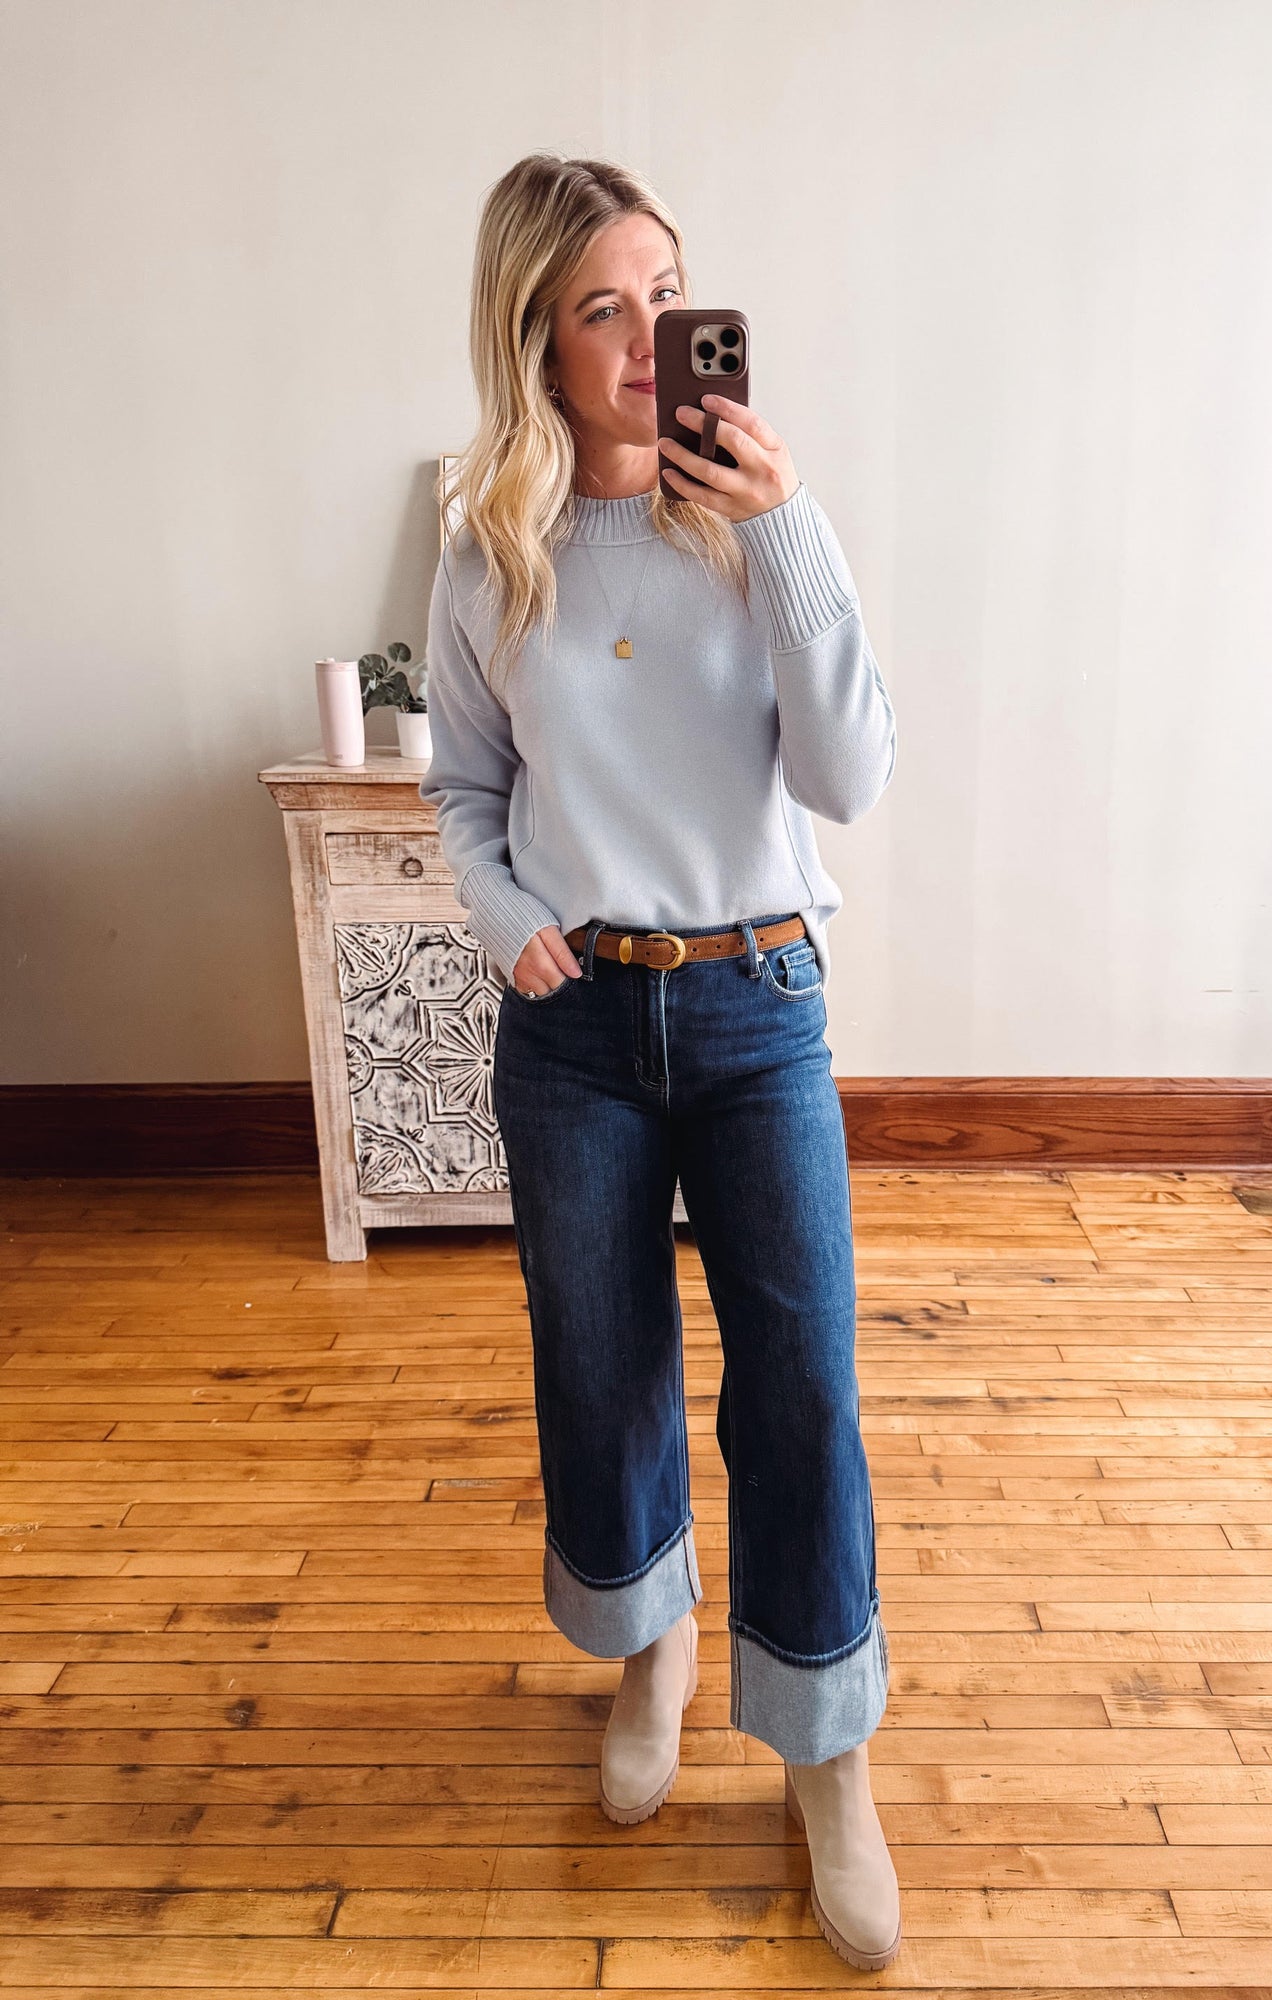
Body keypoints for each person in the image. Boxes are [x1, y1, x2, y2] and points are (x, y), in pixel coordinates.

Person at [419, 151, 900, 1972]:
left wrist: (788, 525)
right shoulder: (489, 548)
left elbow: (848, 777)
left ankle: (824, 1753)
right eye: (600, 310)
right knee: (598, 1364)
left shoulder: (762, 522)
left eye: (667, 296)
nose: (645, 342)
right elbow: (466, 792)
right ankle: (655, 1647)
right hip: (574, 1029)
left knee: (800, 1386)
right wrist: (501, 914)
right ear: (536, 341)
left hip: (759, 1006)